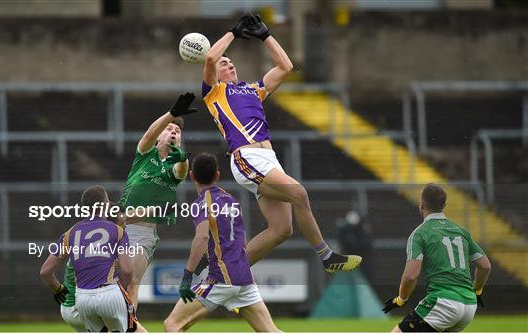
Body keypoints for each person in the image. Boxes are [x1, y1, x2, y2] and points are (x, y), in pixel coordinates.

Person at [201, 13, 361, 273]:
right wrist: (233, 32)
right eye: (225, 64)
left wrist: (266, 36)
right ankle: (326, 256)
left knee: (281, 230)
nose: (230, 66)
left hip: (268, 161)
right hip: (247, 159)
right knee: (299, 194)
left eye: (232, 63)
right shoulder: (214, 92)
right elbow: (209, 57)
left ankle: (223, 273)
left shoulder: (253, 89)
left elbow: (285, 67)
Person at [164, 153, 279, 332]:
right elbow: (238, 238)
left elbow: (202, 237)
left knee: (172, 325)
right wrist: (205, 262)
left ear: (192, 175)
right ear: (217, 175)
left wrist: (188, 275)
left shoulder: (201, 203)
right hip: (244, 278)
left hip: (221, 279)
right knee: (270, 331)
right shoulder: (231, 200)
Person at [118, 93, 197, 307]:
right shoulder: (145, 154)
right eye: (169, 129)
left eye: (177, 131)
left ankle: (130, 326)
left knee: (131, 282)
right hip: (118, 228)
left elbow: (181, 171)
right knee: (111, 284)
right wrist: (171, 114)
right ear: (160, 136)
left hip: (142, 234)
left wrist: (182, 158)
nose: (173, 132)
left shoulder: (174, 166)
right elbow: (149, 133)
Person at [382, 183, 491, 332]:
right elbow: (485, 266)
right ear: (444, 205)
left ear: (421, 205)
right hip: (469, 306)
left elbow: (411, 276)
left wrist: (401, 299)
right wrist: (477, 291)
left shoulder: (420, 234)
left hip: (443, 302)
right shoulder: (461, 231)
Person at [40, 185, 137, 332]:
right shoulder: (117, 231)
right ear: (105, 204)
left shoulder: (71, 233)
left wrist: (58, 289)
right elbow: (128, 271)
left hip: (82, 299)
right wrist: (120, 290)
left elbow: (45, 271)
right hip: (109, 294)